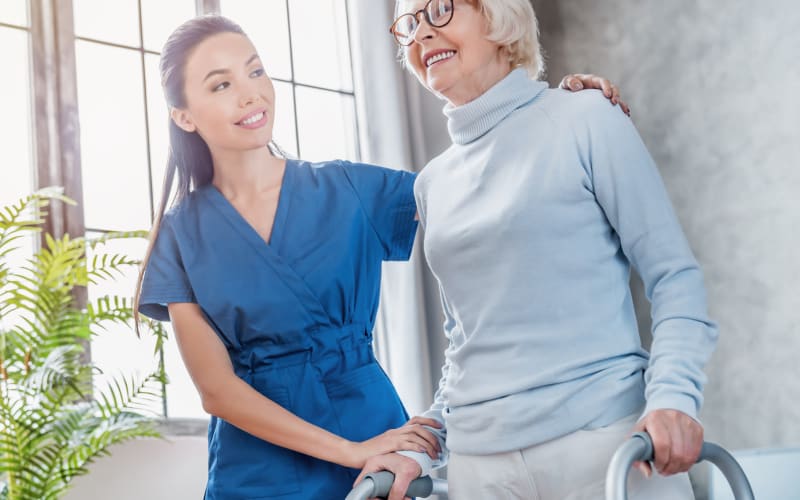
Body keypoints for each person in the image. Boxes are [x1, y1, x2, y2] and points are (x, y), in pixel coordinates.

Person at [133, 14, 627, 500]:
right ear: (184, 115)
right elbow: (216, 390)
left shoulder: (350, 189)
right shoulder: (179, 235)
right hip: (260, 469)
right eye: (221, 85)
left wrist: (555, 112)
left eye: (255, 71)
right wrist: (349, 450)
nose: (251, 94)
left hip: (377, 449)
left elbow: (490, 194)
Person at [357, 1, 719, 499]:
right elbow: (467, 339)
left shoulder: (587, 117)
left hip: (605, 448)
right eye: (410, 22)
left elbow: (674, 276)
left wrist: (674, 397)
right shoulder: (432, 184)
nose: (421, 32)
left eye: (440, 9)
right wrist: (428, 433)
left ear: (498, 18)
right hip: (480, 468)